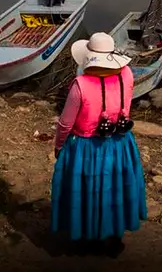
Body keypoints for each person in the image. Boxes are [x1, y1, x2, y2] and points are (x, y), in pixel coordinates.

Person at [51, 32, 147, 257]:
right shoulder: (127, 74)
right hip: (121, 143)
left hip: (87, 147)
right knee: (115, 188)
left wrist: (59, 146)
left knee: (88, 190)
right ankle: (113, 237)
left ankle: (90, 237)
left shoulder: (80, 85)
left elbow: (65, 123)